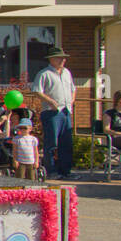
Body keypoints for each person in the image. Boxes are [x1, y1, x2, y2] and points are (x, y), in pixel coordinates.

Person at [32, 46, 76, 179]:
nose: (62, 60)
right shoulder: (44, 74)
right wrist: (50, 101)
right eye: (59, 58)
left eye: (63, 58)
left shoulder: (67, 72)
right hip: (51, 111)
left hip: (66, 111)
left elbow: (73, 89)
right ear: (51, 59)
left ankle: (65, 171)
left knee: (66, 142)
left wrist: (71, 102)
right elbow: (37, 91)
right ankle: (51, 171)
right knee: (51, 143)